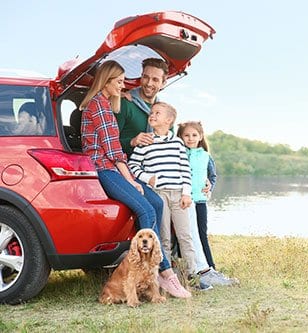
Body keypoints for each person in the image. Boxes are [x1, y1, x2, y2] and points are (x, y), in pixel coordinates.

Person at [79, 60, 191, 299]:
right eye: (119, 82)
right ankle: (161, 271)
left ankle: (158, 269)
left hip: (114, 167)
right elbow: (112, 150)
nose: (123, 86)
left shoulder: (107, 104)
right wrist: (131, 180)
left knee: (157, 204)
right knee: (146, 210)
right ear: (106, 81)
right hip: (105, 169)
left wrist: (131, 178)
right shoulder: (98, 105)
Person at [127, 102, 212, 291]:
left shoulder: (177, 143)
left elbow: (185, 169)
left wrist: (186, 193)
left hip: (178, 195)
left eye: (158, 113)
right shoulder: (146, 142)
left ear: (169, 120)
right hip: (159, 194)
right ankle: (165, 278)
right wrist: (148, 178)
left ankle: (192, 276)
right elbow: (133, 166)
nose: (152, 115)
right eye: (151, 112)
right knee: (163, 237)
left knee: (185, 236)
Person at [177, 121, 239, 286]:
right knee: (185, 235)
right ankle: (187, 267)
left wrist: (210, 186)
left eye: (194, 135)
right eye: (186, 135)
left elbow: (212, 176)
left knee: (201, 233)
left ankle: (209, 267)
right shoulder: (179, 153)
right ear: (180, 137)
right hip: (184, 200)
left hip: (200, 201)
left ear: (201, 137)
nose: (190, 139)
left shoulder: (205, 156)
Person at [115, 58, 169, 158]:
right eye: (145, 77)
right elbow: (108, 144)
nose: (149, 83)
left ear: (163, 84)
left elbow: (170, 144)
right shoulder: (125, 104)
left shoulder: (164, 112)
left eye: (155, 80)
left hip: (155, 167)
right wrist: (132, 142)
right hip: (126, 166)